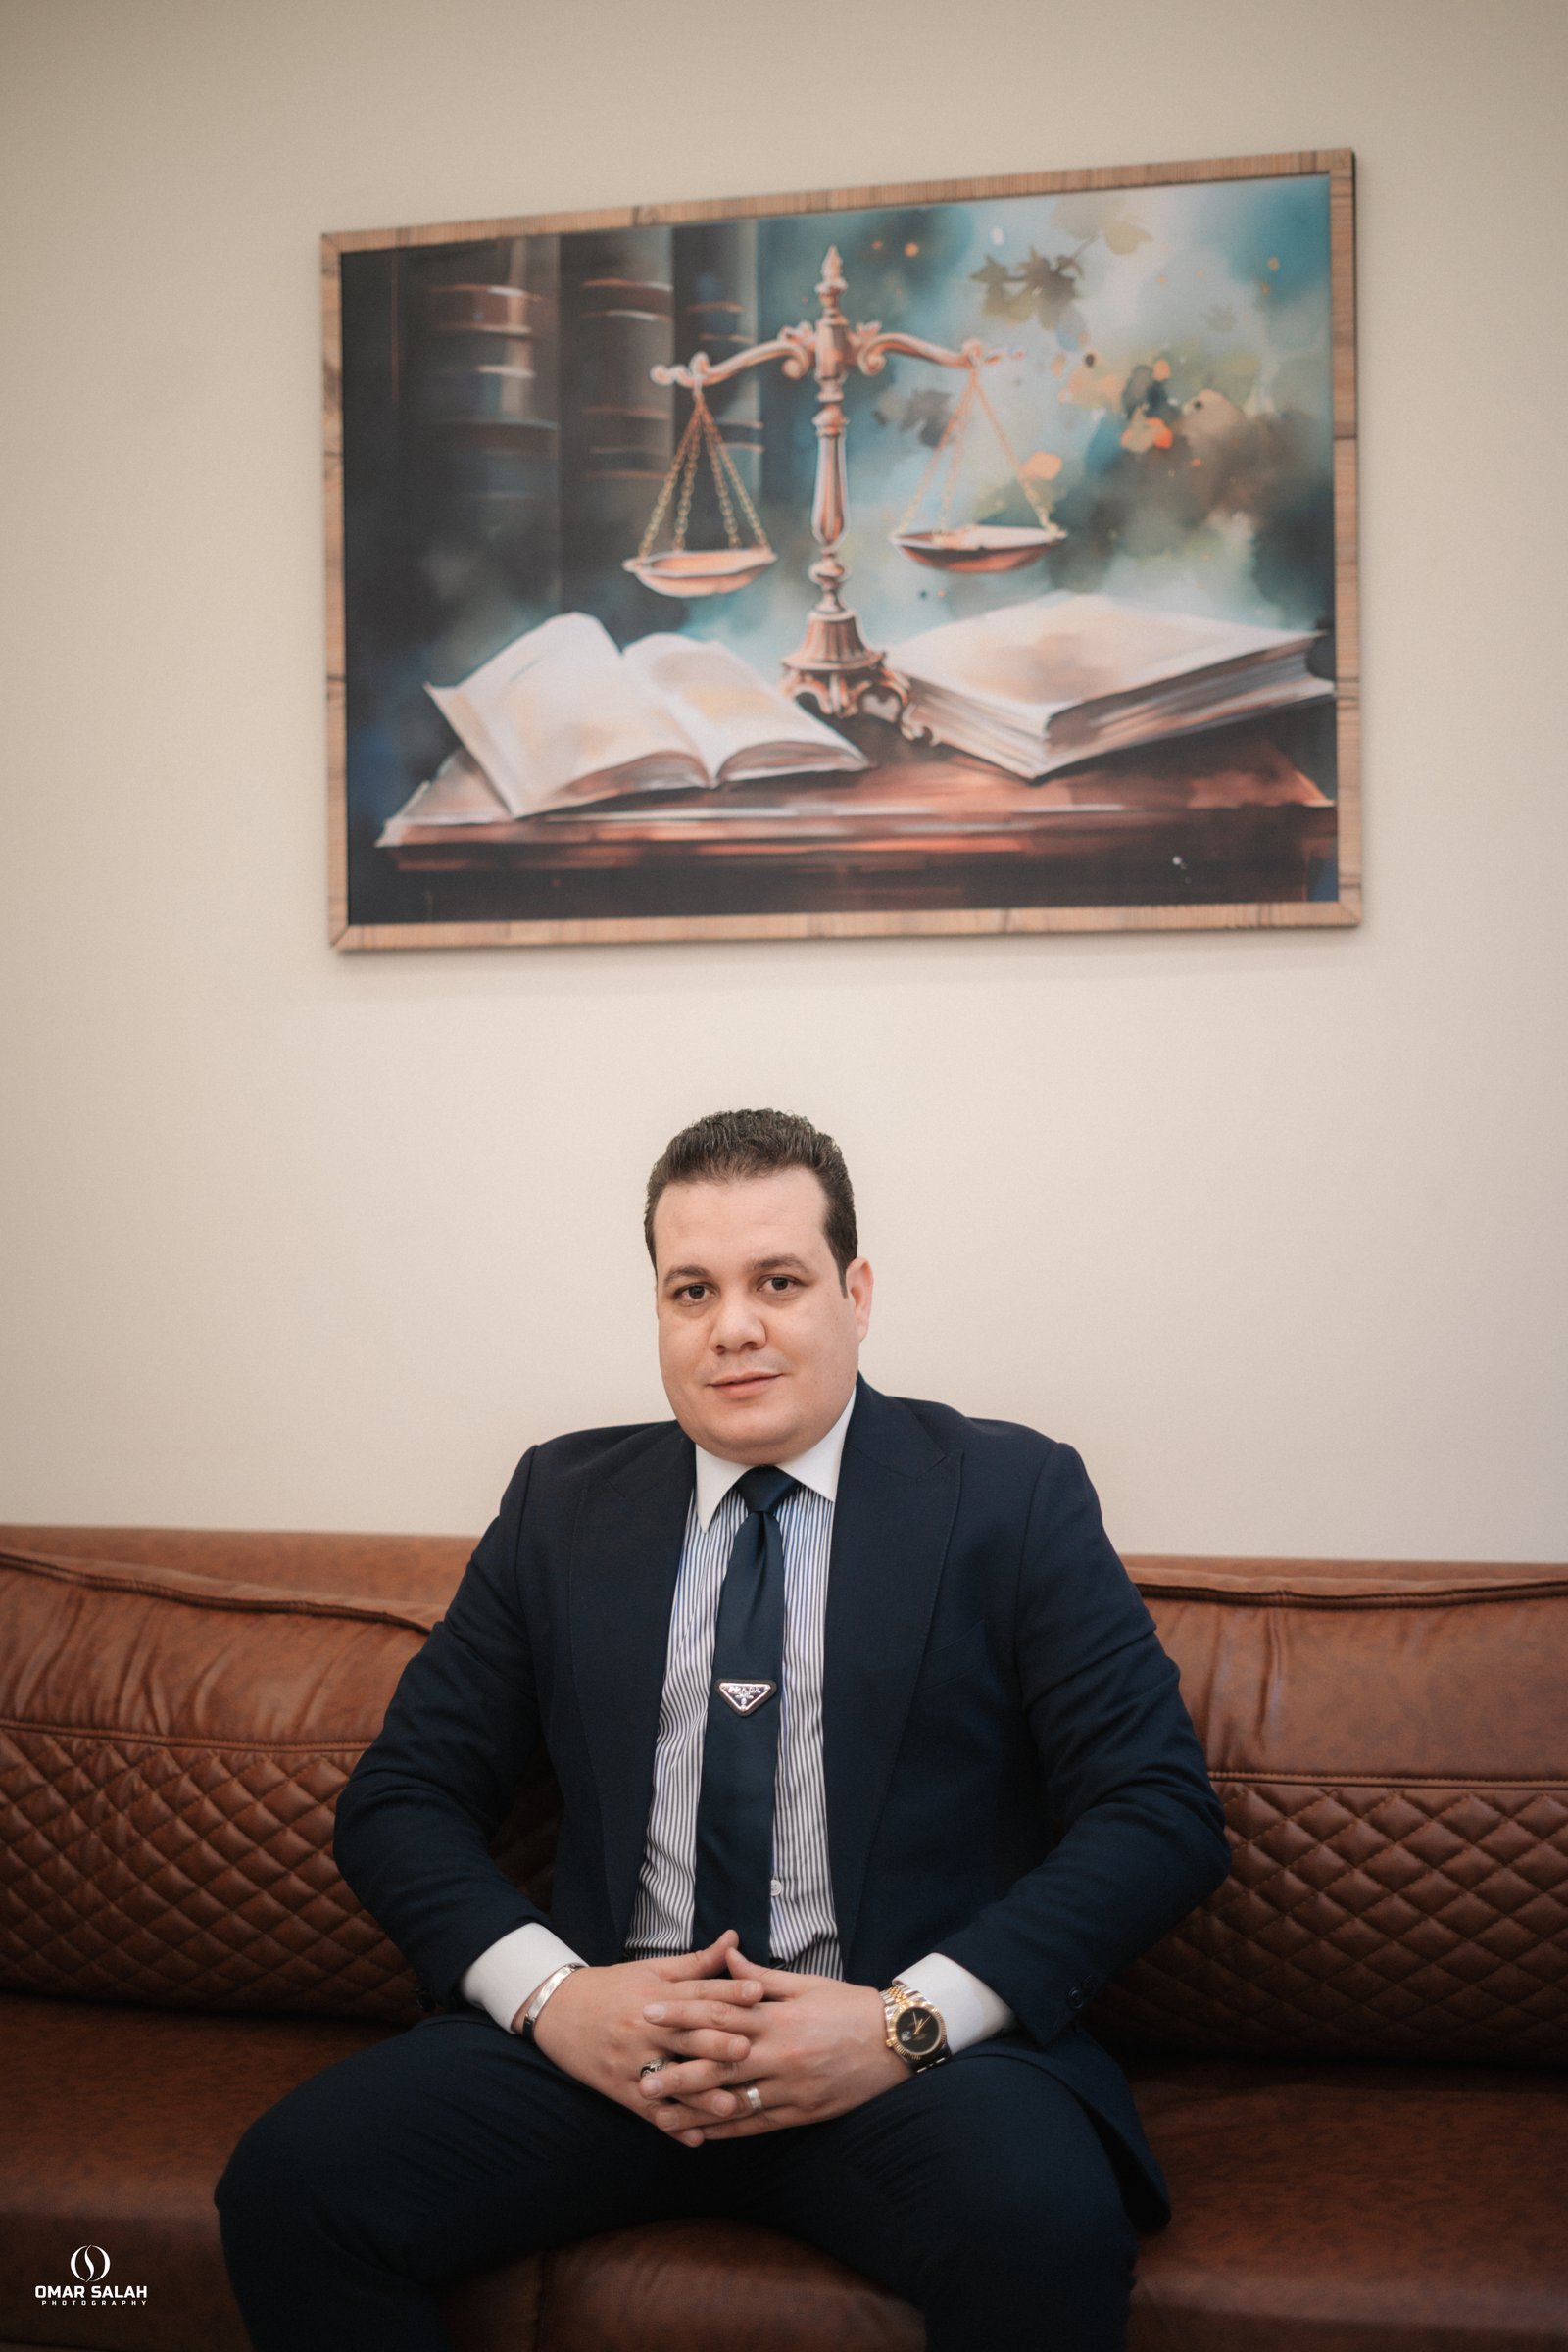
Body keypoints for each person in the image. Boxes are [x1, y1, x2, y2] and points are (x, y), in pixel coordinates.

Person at [216, 1108, 1229, 2351]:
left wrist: (901, 2023)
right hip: (610, 2055)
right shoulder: (560, 1505)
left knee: (1041, 2224)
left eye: (778, 1282)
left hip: (901, 2064)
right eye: (691, 1289)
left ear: (856, 1294)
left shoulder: (1010, 1497)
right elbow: (402, 1798)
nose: (732, 1325)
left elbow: (1156, 1812)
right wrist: (556, 1999)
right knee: (293, 2186)